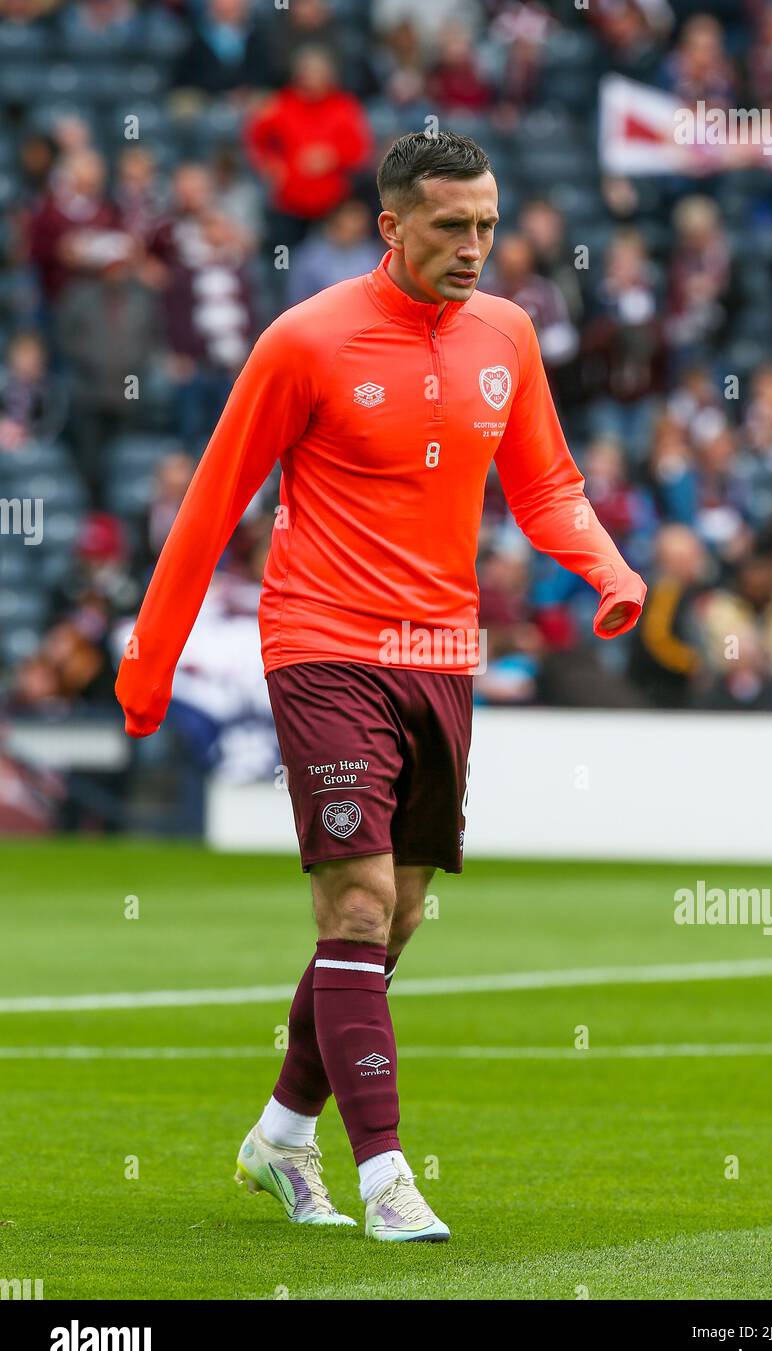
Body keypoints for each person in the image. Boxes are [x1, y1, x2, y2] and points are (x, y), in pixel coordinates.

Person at [114, 130, 646, 1243]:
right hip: (322, 643)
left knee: (393, 922)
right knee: (353, 904)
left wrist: (604, 565)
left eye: (487, 225)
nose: (473, 247)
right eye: (450, 226)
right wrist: (149, 662)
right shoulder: (303, 340)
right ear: (389, 226)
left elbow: (543, 482)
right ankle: (387, 1174)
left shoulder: (508, 333)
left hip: (441, 656)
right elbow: (213, 501)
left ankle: (280, 1136)